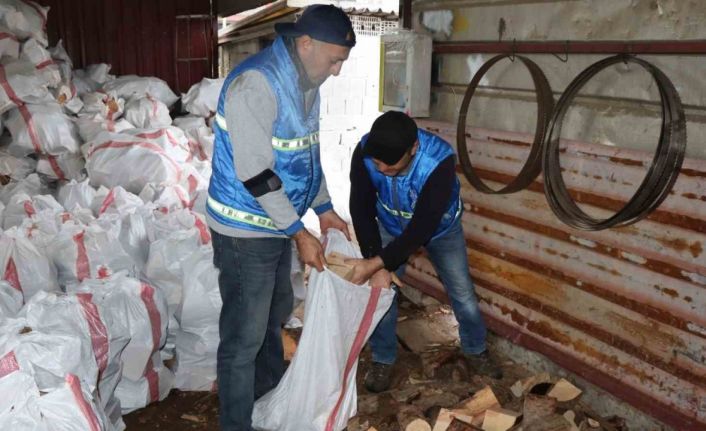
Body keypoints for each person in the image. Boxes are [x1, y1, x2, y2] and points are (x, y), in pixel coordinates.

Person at [206, 5, 354, 430]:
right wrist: (297, 231)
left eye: (342, 61)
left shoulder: (309, 81)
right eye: (334, 59)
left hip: (274, 223)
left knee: (274, 317)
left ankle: (268, 402)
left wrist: (324, 208)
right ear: (305, 43)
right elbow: (254, 170)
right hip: (244, 228)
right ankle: (237, 423)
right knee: (244, 337)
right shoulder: (256, 84)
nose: (338, 70)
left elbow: (305, 153)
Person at [346, 111, 503, 393]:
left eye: (390, 165)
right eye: (378, 163)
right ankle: (383, 358)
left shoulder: (438, 162)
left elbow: (421, 228)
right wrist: (376, 262)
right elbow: (360, 207)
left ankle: (476, 349)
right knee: (382, 291)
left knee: (463, 293)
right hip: (389, 225)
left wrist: (380, 263)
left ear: (414, 149)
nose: (382, 170)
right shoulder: (365, 152)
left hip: (440, 230)